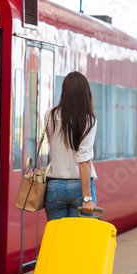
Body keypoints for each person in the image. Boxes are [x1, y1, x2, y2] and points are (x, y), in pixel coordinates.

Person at [44, 71, 97, 221]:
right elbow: (84, 159)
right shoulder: (88, 120)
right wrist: (87, 198)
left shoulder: (50, 115)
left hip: (54, 187)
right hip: (79, 187)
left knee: (59, 239)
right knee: (79, 241)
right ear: (85, 93)